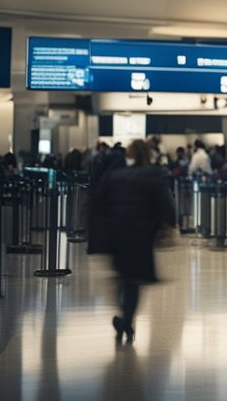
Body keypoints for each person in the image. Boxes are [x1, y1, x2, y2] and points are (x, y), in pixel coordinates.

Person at [90, 139, 176, 345]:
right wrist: (169, 224)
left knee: (122, 277)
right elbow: (166, 204)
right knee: (134, 282)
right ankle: (126, 320)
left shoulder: (115, 175)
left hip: (116, 233)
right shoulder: (154, 175)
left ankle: (124, 319)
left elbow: (98, 201)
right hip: (141, 234)